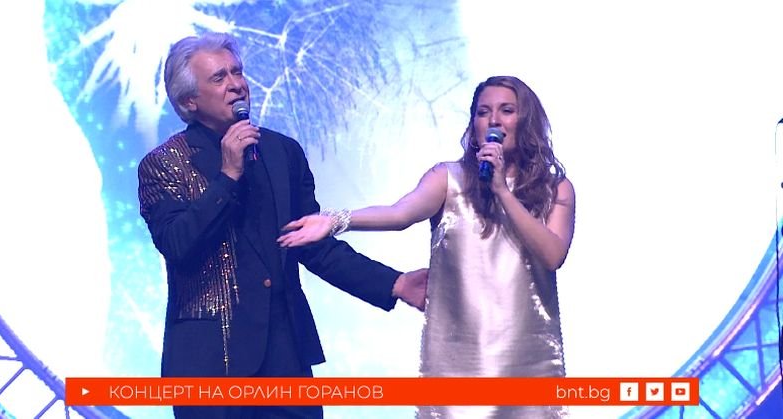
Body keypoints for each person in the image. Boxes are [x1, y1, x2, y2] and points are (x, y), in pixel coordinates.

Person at [137, 31, 427, 419]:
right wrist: (227, 176)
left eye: (237, 72)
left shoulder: (281, 152)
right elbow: (178, 244)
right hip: (210, 363)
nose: (236, 84)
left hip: (285, 357)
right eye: (219, 77)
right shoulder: (164, 163)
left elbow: (313, 244)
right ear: (189, 101)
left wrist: (394, 283)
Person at [279, 75, 575, 418]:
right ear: (474, 125)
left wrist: (503, 192)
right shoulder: (449, 179)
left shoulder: (555, 188)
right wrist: (336, 220)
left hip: (528, 358)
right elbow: (399, 214)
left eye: (506, 110)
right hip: (458, 360)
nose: (493, 120)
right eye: (483, 112)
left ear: (526, 120)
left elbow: (552, 255)